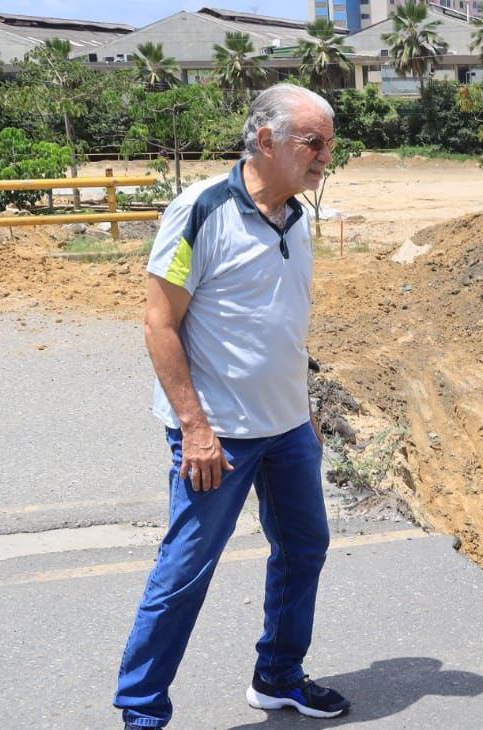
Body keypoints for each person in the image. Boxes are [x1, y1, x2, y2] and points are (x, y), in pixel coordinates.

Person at [114, 84, 350, 728]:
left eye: (330, 142)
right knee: (186, 571)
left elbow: (281, 325)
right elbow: (159, 324)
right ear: (266, 140)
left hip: (288, 429)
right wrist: (194, 427)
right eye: (315, 141)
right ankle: (141, 711)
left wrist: (305, 411)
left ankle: (278, 676)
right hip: (217, 434)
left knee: (305, 549)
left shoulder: (297, 218)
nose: (326, 155)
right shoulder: (200, 210)